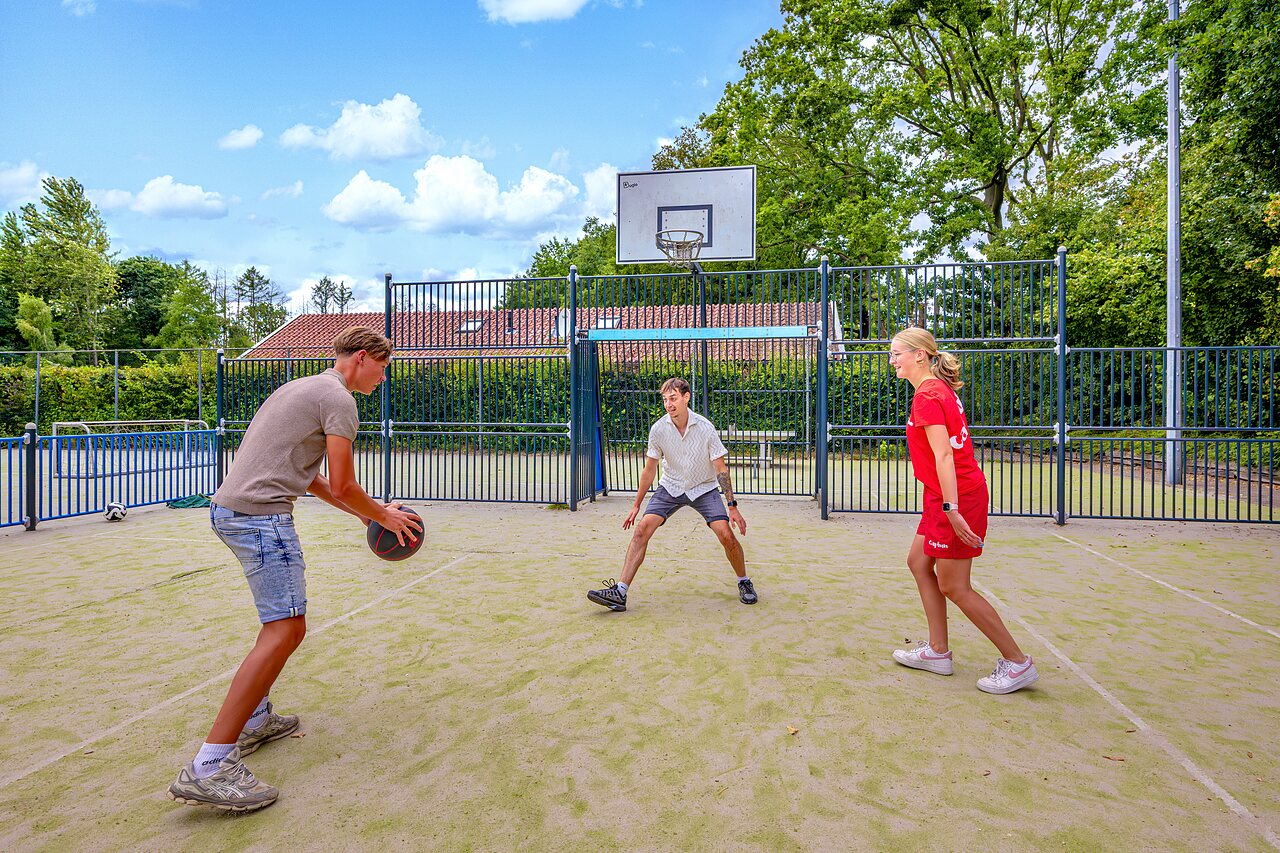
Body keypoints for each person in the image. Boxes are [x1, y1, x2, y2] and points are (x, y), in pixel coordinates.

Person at [168, 326, 422, 811]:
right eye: (384, 367)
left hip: (234, 511)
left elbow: (315, 481)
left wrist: (369, 514)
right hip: (260, 517)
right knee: (285, 629)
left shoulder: (304, 387)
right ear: (364, 358)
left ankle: (256, 718)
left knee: (280, 624)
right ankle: (211, 765)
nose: (384, 378)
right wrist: (383, 515)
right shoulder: (340, 400)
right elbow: (345, 485)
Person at [888, 327, 1039, 694]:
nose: (892, 360)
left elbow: (943, 455)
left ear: (920, 355)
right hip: (942, 493)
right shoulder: (936, 390)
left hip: (955, 496)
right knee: (919, 561)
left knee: (955, 585)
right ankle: (938, 651)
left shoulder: (928, 395)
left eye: (897, 353)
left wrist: (951, 508)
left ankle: (1018, 663)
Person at [587, 377, 755, 612]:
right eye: (665, 399)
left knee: (726, 534)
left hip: (704, 488)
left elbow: (720, 468)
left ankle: (743, 581)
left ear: (686, 398)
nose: (669, 404)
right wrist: (637, 505)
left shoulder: (705, 428)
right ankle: (620, 592)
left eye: (673, 398)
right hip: (671, 487)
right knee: (642, 529)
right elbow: (650, 469)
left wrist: (732, 506)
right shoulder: (658, 429)